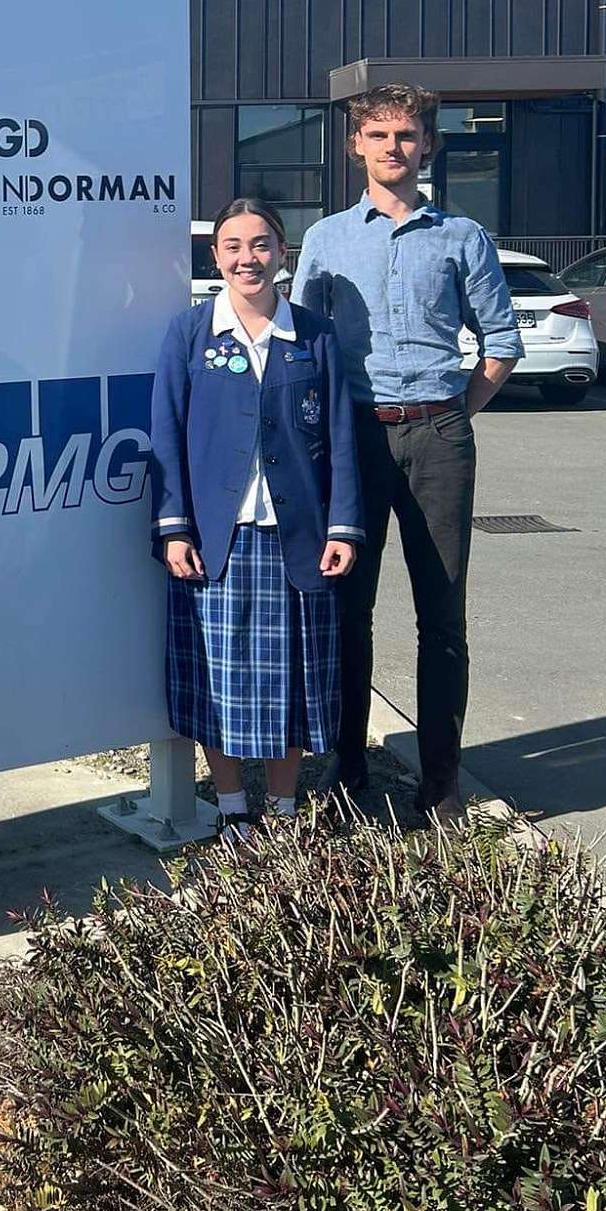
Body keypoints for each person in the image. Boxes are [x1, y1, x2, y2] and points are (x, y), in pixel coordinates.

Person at [293, 83, 521, 822]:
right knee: (346, 608)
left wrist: (452, 415)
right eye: (380, 135)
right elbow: (305, 346)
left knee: (442, 613)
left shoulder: (462, 237)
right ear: (356, 145)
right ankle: (347, 766)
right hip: (355, 438)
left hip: (438, 435)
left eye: (407, 135)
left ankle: (441, 780)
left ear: (429, 145)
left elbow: (501, 343)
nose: (394, 147)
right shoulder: (327, 240)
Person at [150, 198, 363, 837]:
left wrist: (343, 526)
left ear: (282, 253)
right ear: (216, 257)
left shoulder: (313, 335)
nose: (249, 259)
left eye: (261, 244)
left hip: (298, 538)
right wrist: (173, 526)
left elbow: (342, 434)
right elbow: (166, 433)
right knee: (220, 684)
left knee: (291, 684)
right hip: (217, 541)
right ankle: (232, 808)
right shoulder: (190, 332)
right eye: (234, 246)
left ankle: (285, 808)